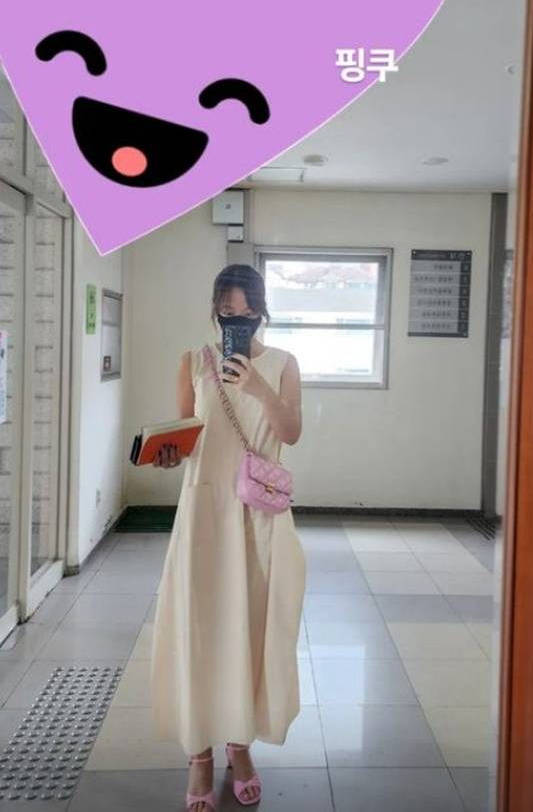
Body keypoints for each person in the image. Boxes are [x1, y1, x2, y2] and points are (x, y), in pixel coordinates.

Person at [149, 264, 306, 811]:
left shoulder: (283, 364)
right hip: (203, 509)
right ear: (215, 310)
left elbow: (291, 433)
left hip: (258, 514)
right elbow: (188, 436)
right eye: (226, 309)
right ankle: (199, 755)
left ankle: (240, 746)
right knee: (200, 624)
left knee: (252, 626)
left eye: (245, 310)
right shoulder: (194, 361)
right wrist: (169, 453)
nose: (235, 319)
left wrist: (258, 387)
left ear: (261, 310)